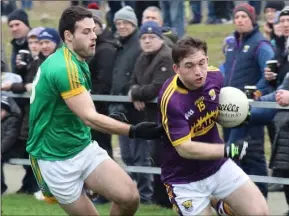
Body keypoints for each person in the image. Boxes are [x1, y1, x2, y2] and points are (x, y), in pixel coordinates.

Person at [26, 6, 163, 216]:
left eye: (94, 30)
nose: (94, 36)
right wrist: (133, 130)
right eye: (86, 32)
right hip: (54, 158)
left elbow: (82, 109)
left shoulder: (79, 61)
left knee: (129, 197)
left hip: (82, 147)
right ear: (68, 36)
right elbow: (89, 117)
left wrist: (108, 119)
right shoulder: (64, 67)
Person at [157, 36, 269, 216]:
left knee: (260, 212)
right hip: (184, 179)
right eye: (189, 65)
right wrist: (227, 150)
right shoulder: (172, 100)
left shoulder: (215, 77)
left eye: (202, 63)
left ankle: (221, 206)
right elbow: (184, 148)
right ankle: (216, 203)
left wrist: (240, 114)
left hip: (217, 166)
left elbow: (219, 110)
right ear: (176, 69)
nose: (198, 71)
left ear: (207, 61)